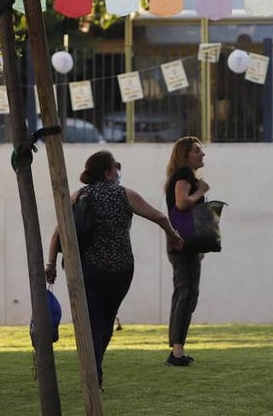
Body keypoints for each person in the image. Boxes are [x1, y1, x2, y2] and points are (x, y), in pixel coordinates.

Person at [46, 150, 183, 388]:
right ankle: (95, 367)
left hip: (87, 269)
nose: (119, 171)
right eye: (116, 167)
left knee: (91, 321)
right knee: (107, 319)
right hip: (120, 269)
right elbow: (160, 217)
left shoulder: (79, 196)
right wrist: (173, 236)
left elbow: (59, 232)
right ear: (109, 171)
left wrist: (50, 264)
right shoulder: (125, 195)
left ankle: (93, 369)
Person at [163, 136, 210, 366]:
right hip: (184, 244)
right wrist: (200, 191)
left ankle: (177, 348)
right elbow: (181, 203)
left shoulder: (182, 176)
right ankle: (177, 352)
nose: (202, 155)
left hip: (183, 244)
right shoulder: (183, 176)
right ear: (185, 155)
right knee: (186, 293)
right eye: (197, 151)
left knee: (186, 292)